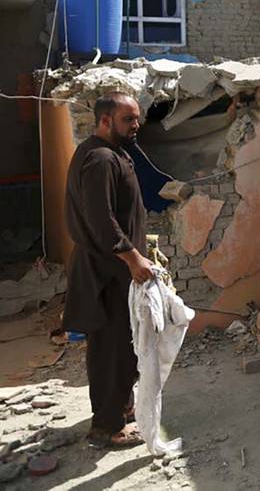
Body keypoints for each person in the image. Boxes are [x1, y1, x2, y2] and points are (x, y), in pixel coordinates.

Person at [63, 92, 154, 448]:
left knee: (125, 345)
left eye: (136, 119)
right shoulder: (100, 159)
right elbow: (101, 220)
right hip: (109, 274)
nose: (136, 125)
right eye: (128, 119)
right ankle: (107, 428)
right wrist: (132, 257)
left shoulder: (113, 153)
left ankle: (121, 407)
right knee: (112, 349)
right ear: (105, 121)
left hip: (119, 272)